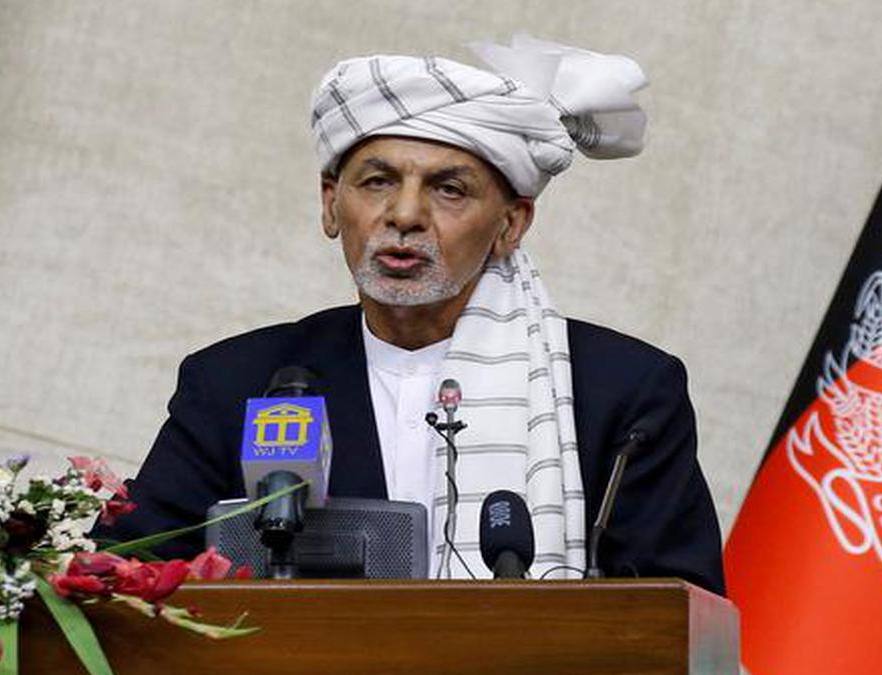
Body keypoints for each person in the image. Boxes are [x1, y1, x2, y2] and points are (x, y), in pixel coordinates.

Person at [94, 36, 724, 594]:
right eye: (377, 182)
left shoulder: (621, 392)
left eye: (449, 189)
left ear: (511, 223)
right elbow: (124, 574)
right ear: (330, 205)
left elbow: (681, 617)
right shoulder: (237, 382)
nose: (405, 215)